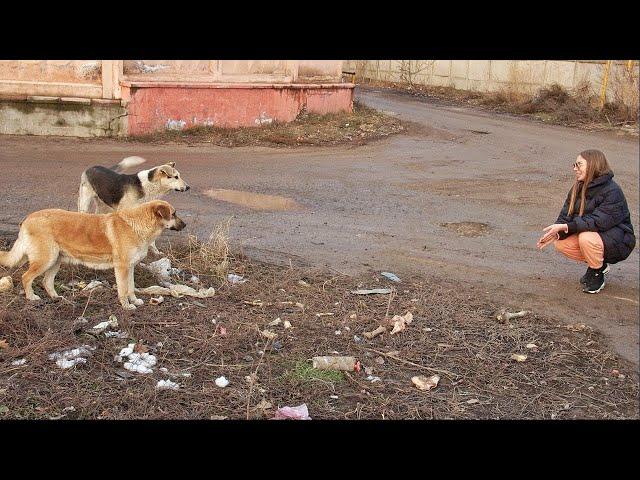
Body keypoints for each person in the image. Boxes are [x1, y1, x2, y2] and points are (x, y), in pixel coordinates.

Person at [537, 149, 636, 294]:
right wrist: (557, 233)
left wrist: (566, 226)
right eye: (574, 165)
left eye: (579, 165)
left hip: (620, 241)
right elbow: (566, 214)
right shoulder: (578, 187)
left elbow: (598, 222)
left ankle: (597, 273)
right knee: (561, 244)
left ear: (593, 165)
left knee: (586, 237)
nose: (574, 169)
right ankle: (599, 265)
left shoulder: (612, 191)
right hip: (598, 237)